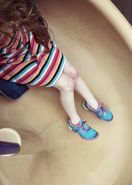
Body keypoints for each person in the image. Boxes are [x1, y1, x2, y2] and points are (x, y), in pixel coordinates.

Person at [0, 0, 113, 141]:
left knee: (73, 72)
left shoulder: (17, 12)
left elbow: (30, 25)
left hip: (34, 44)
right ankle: (75, 122)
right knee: (66, 85)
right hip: (17, 64)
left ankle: (93, 104)